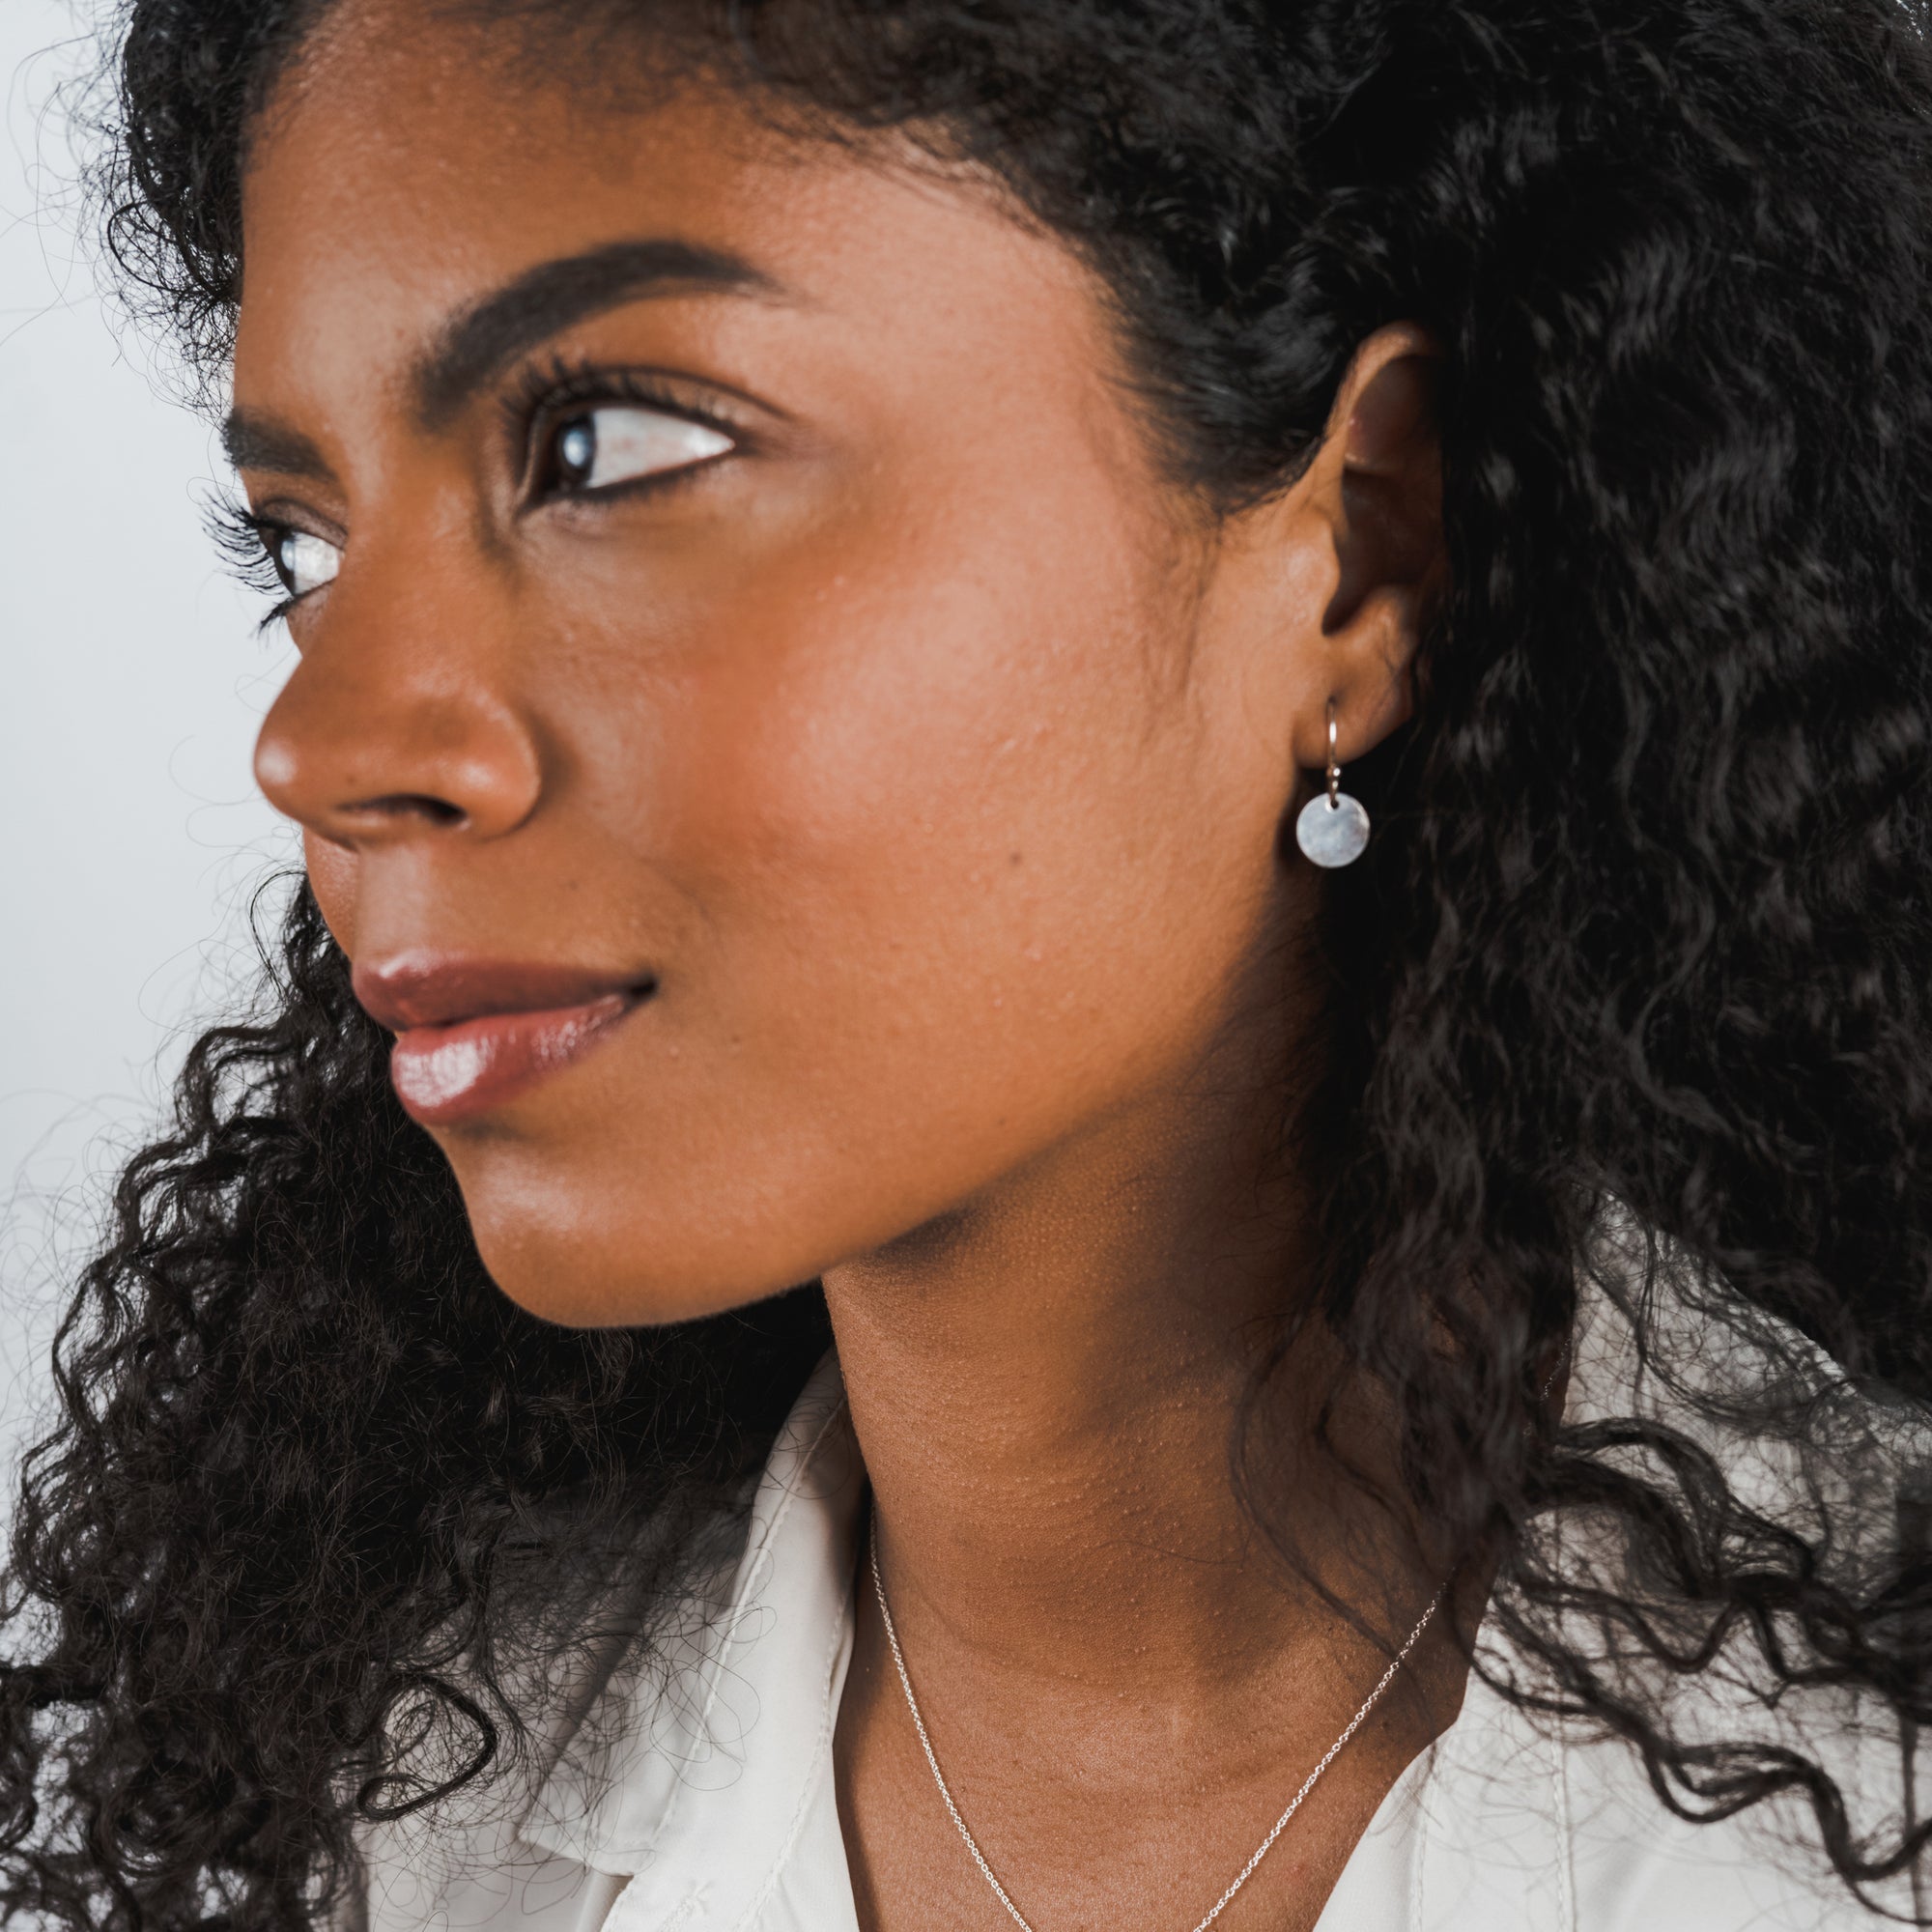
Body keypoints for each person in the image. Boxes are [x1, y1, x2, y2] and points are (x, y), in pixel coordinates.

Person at [5, 0, 1932, 1925]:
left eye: (605, 448)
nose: (326, 743)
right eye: (307, 543)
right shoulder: (361, 1820)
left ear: (1356, 557)